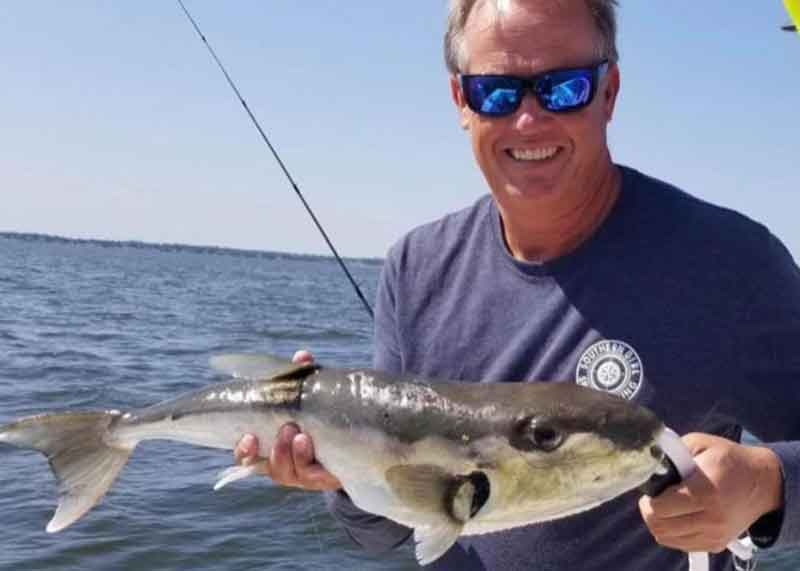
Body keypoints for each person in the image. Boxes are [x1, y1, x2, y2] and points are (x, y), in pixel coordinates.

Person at [235, 1, 800, 569]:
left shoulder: (730, 263)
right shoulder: (416, 266)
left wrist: (766, 485)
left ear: (610, 92)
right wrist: (338, 475)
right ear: (461, 101)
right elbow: (387, 534)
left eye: (565, 88)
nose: (529, 121)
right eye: (498, 93)